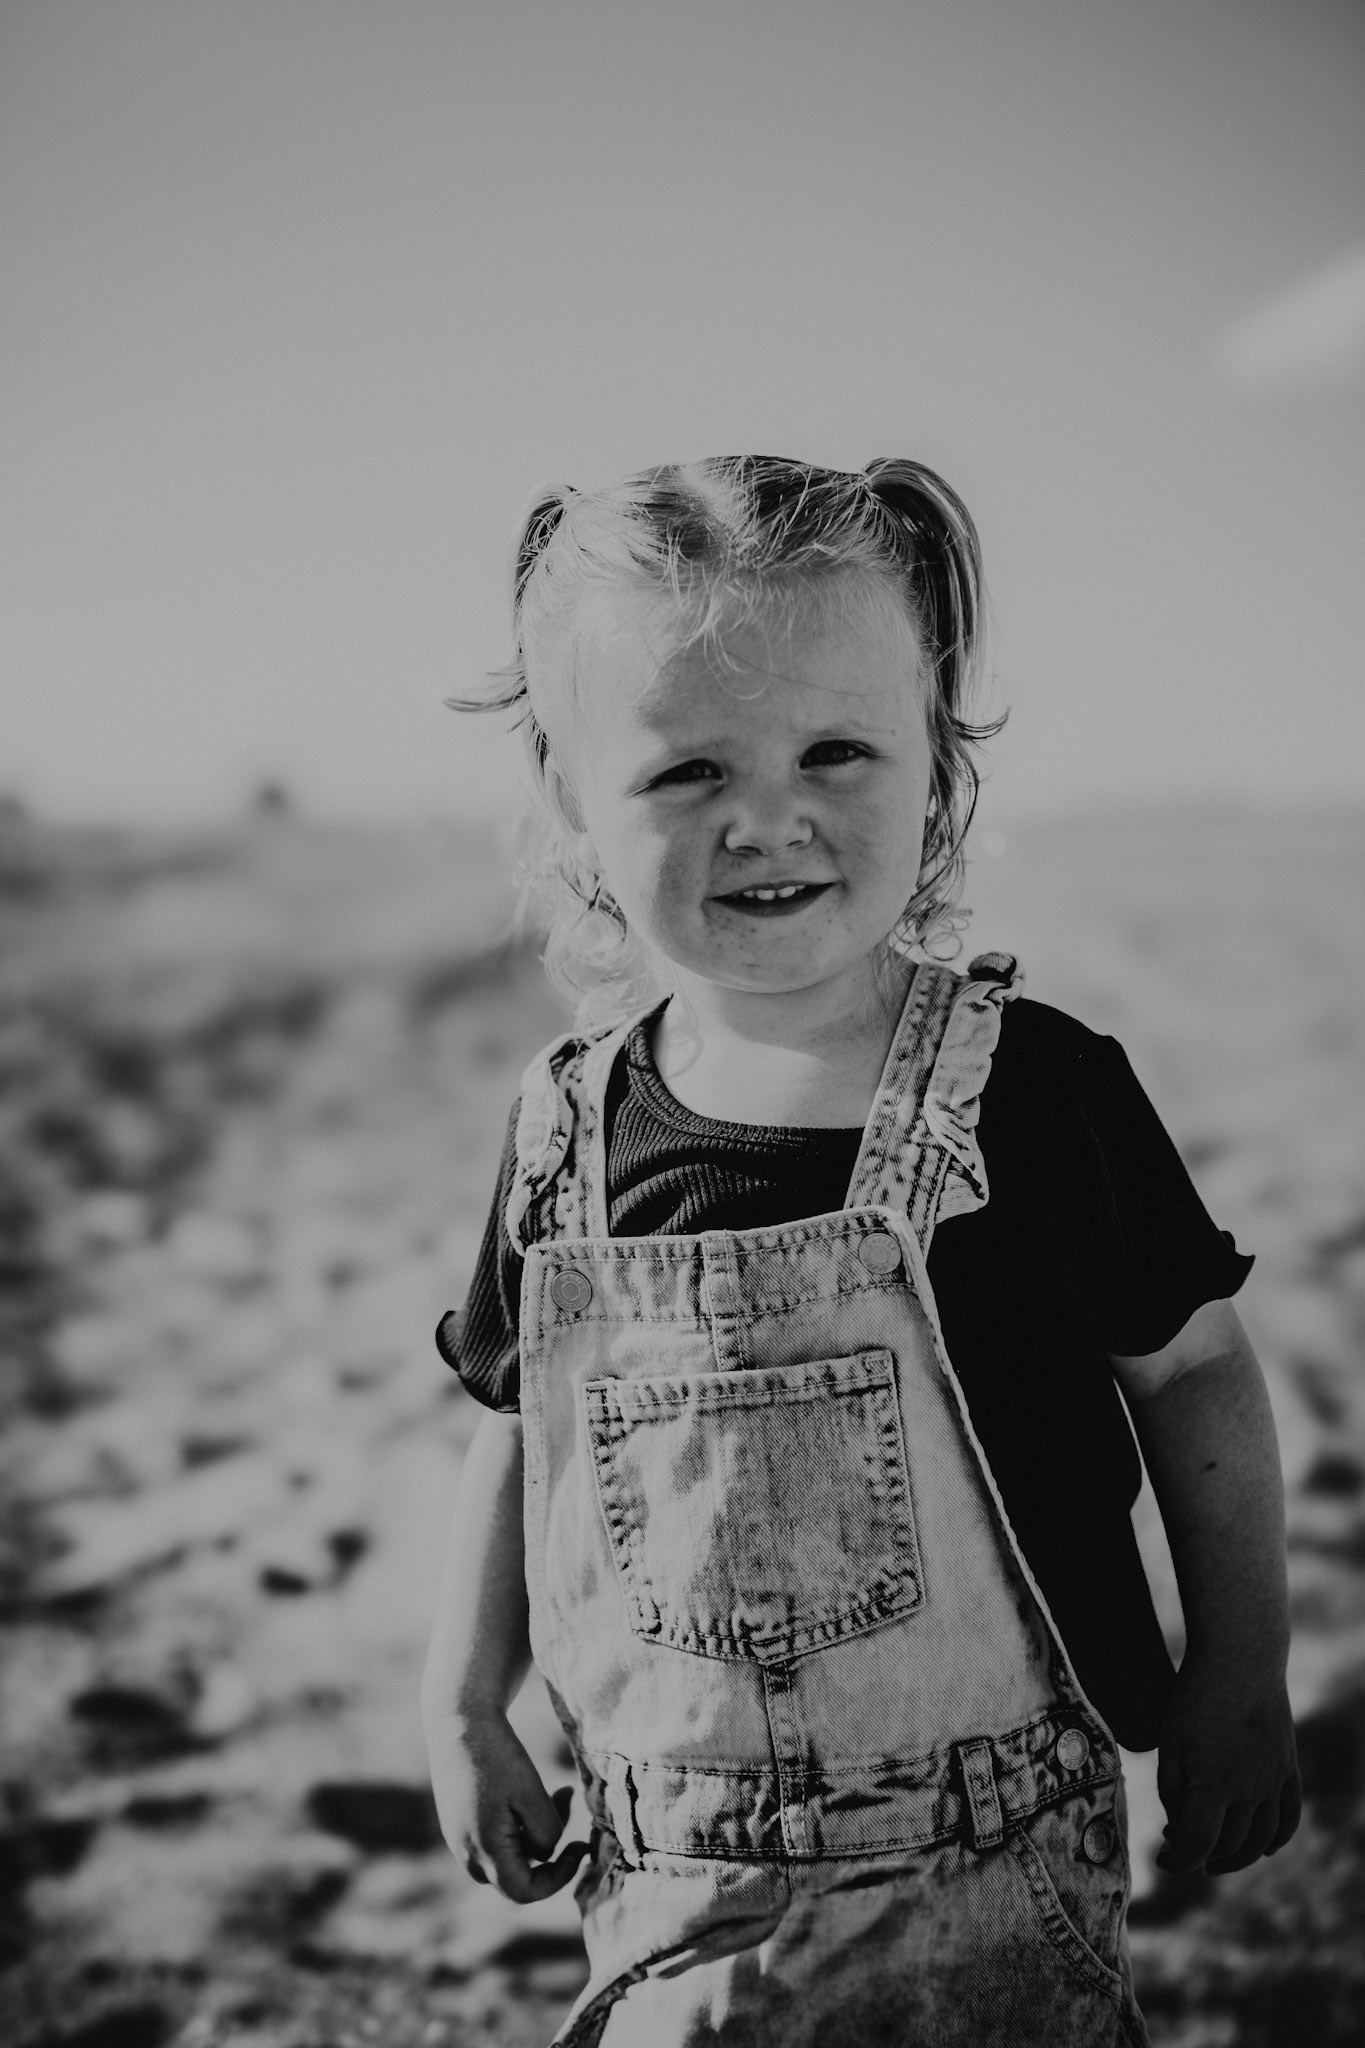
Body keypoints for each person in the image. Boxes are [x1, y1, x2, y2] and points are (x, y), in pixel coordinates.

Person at [421, 457, 1300, 2046]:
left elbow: (1190, 1376)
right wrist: (464, 1692)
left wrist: (1240, 1664)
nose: (767, 815)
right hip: (671, 1867)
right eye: (685, 769)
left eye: (835, 750)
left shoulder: (1033, 1091)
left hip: (994, 1858)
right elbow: (522, 1427)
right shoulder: (566, 1132)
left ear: (937, 767)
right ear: (572, 801)